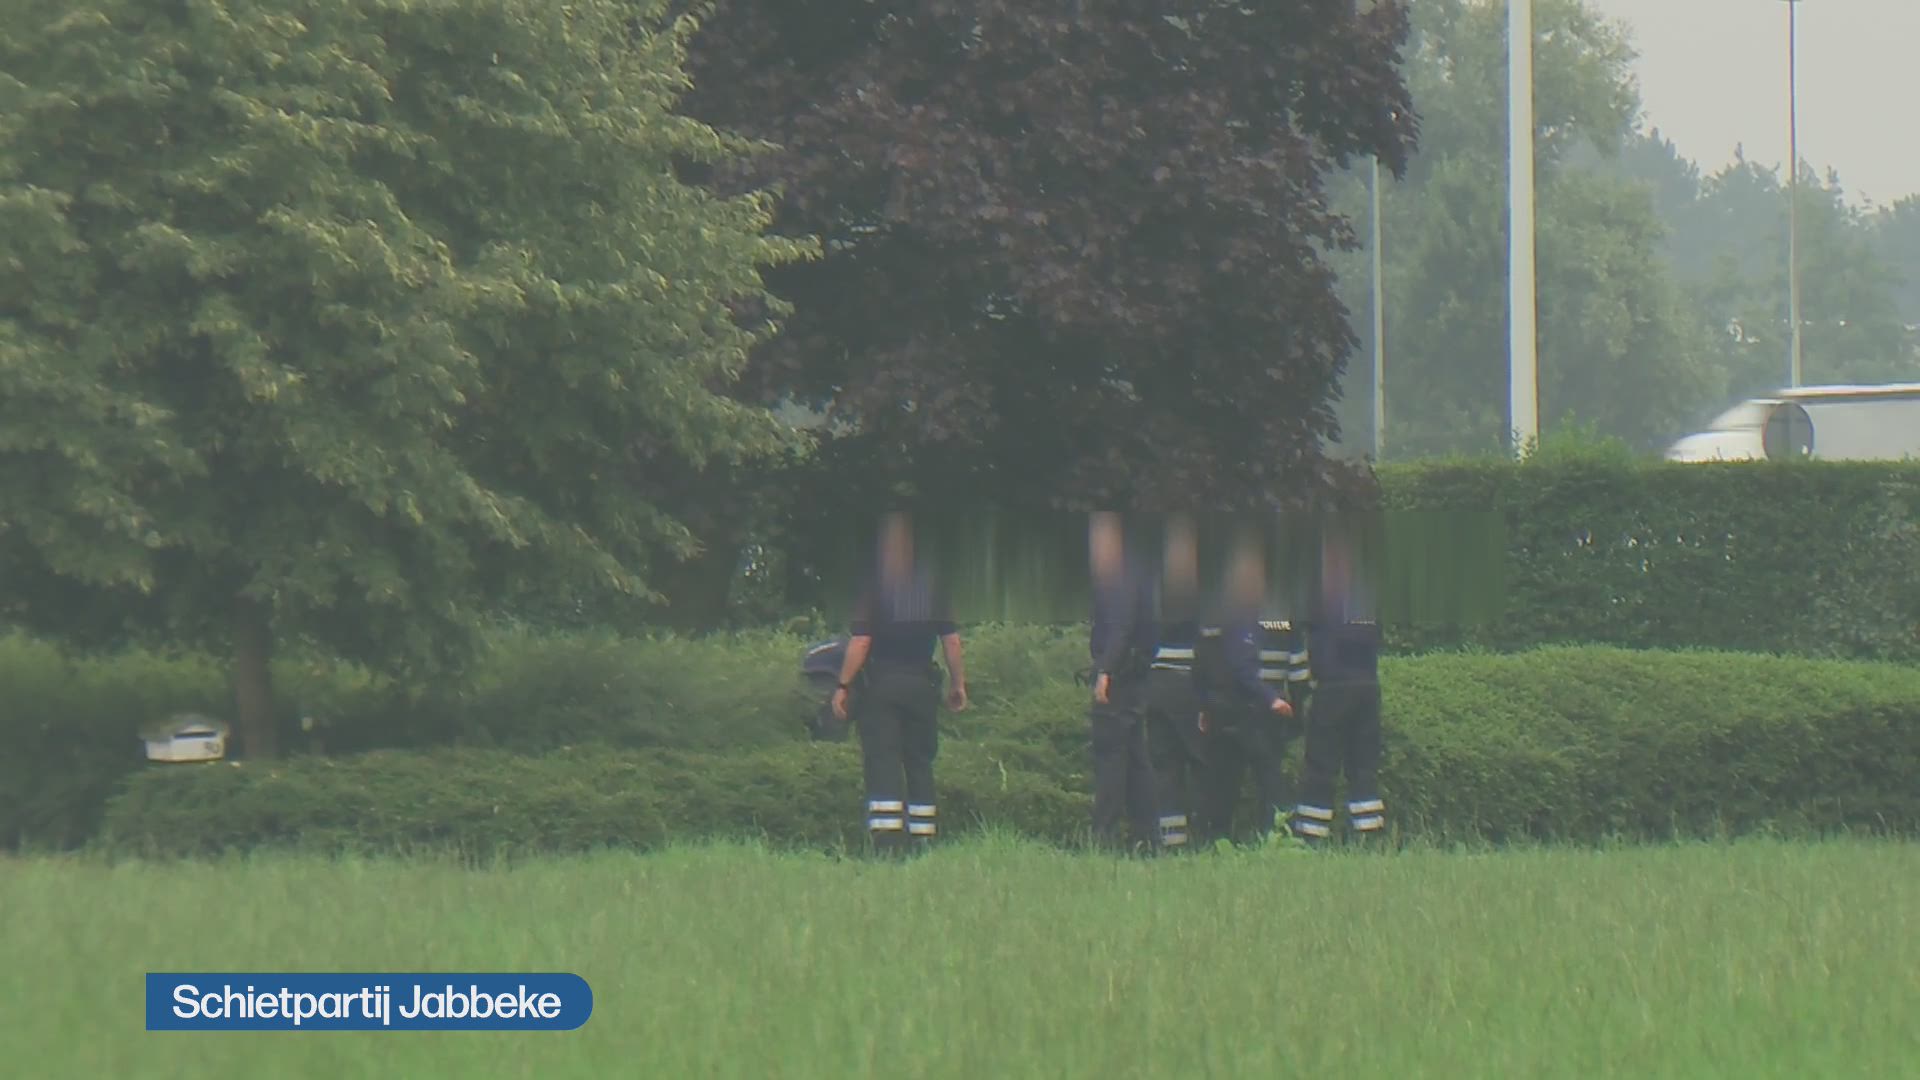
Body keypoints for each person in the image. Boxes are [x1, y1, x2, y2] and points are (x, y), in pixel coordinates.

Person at [830, 512, 969, 855]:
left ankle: (888, 844)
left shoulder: (875, 589)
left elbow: (861, 642)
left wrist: (843, 685)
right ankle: (924, 841)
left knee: (883, 760)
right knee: (920, 761)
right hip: (922, 685)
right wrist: (958, 684)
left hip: (881, 686)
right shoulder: (932, 588)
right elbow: (952, 641)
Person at [1192, 532, 1295, 844]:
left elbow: (1205, 663)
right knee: (1257, 777)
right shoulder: (1242, 612)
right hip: (1247, 708)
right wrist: (1273, 698)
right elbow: (1238, 665)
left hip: (1239, 708)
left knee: (1232, 779)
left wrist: (1204, 703)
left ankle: (1219, 838)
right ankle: (1261, 836)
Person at [1289, 519, 1385, 847]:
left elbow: (1288, 625)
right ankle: (1370, 836)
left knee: (1321, 766)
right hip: (1367, 688)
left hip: (1332, 689)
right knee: (1364, 767)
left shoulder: (1318, 592)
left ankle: (1311, 836)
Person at [1087, 511, 1160, 853]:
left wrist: (1105, 671)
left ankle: (1103, 838)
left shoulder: (1119, 577)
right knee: (1136, 758)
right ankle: (1147, 838)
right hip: (1135, 675)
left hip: (1120, 679)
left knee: (1111, 756)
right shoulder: (1138, 574)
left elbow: (1120, 628)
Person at [1144, 514, 1207, 852]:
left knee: (1165, 765)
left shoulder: (1152, 583)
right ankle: (1205, 836)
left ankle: (1172, 841)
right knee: (1201, 761)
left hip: (1155, 683)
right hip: (1187, 682)